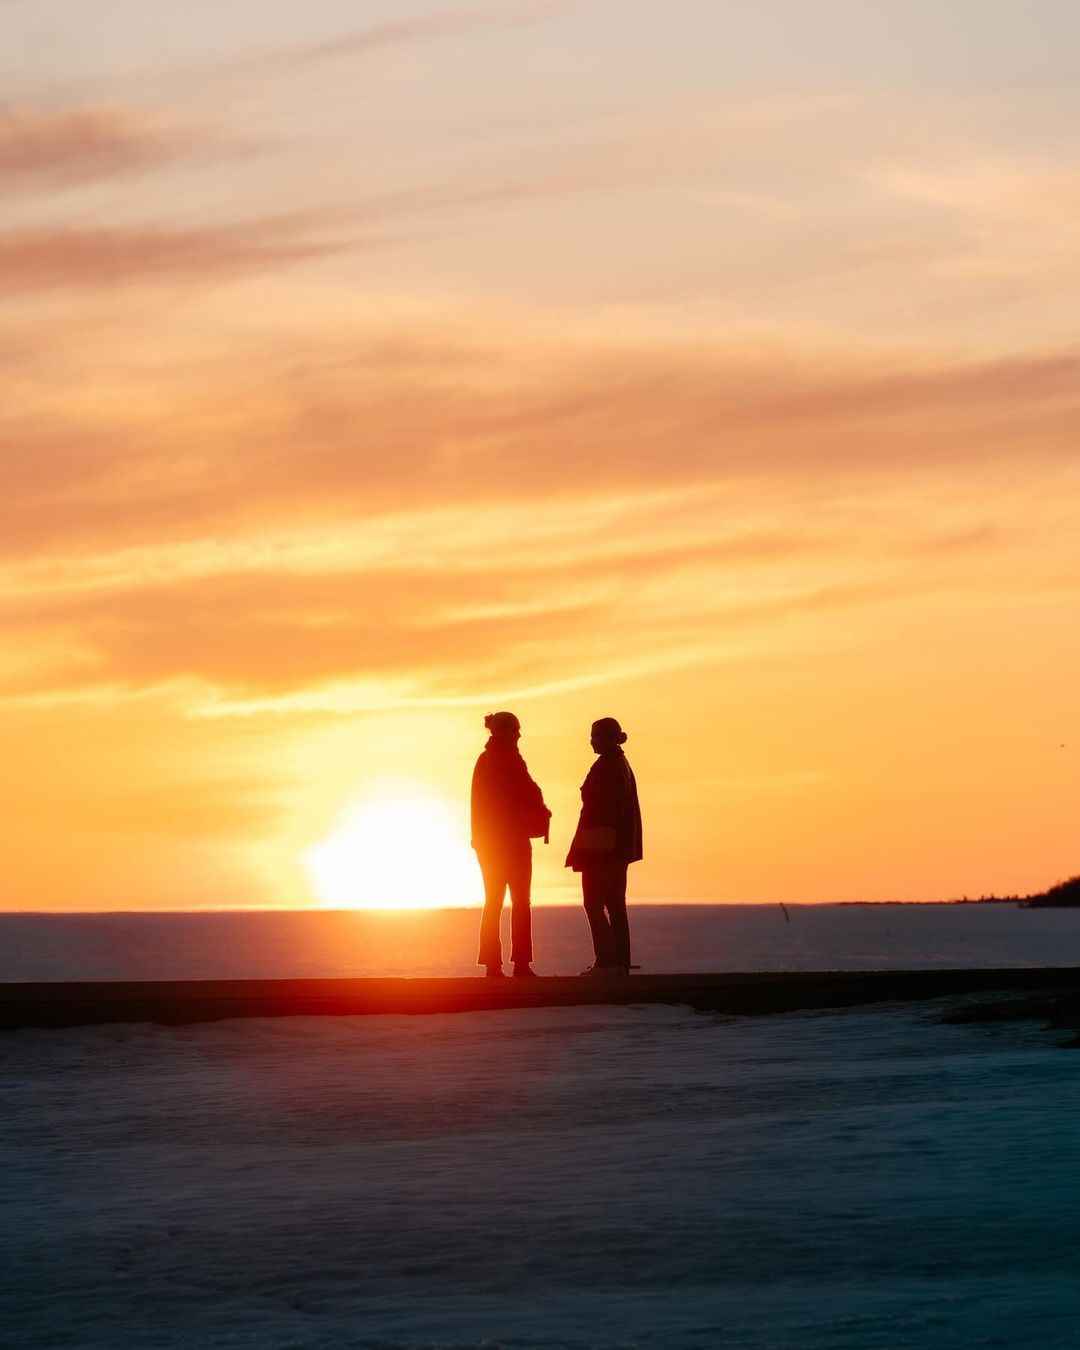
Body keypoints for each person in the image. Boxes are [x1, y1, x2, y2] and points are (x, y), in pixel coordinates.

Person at [472, 711, 551, 978]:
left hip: (488, 845)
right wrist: (541, 810)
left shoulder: (484, 760)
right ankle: (521, 964)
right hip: (512, 842)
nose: (518, 737)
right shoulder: (511, 760)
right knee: (520, 902)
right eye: (516, 733)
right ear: (506, 734)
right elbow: (529, 792)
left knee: (493, 902)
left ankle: (493, 965)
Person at [565, 717, 642, 974]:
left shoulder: (608, 766)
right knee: (615, 905)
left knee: (594, 903)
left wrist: (595, 845)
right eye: (592, 735)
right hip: (618, 846)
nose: (592, 741)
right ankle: (620, 961)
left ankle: (607, 962)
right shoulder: (620, 763)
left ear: (609, 738)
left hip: (602, 847)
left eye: (596, 736)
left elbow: (604, 810)